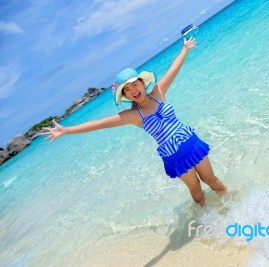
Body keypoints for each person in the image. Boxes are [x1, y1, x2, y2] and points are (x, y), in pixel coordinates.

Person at [41, 36, 227, 207]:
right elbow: (99, 123)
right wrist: (66, 130)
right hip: (174, 156)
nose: (133, 90)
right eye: (127, 89)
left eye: (135, 85)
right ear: (125, 95)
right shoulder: (133, 115)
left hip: (191, 143)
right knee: (195, 191)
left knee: (211, 180)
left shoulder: (158, 93)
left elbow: (173, 69)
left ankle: (233, 204)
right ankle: (206, 222)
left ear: (142, 83)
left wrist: (185, 49)